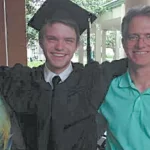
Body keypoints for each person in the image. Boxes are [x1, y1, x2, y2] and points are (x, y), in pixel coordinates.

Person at [0, 0, 127, 149]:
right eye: (52, 39)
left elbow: (136, 61)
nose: (60, 47)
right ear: (41, 41)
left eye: (68, 40)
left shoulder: (93, 78)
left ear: (76, 45)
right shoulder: (21, 80)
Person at [99, 5, 150, 150]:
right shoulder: (106, 88)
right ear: (123, 43)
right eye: (133, 37)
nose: (140, 44)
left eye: (149, 36)